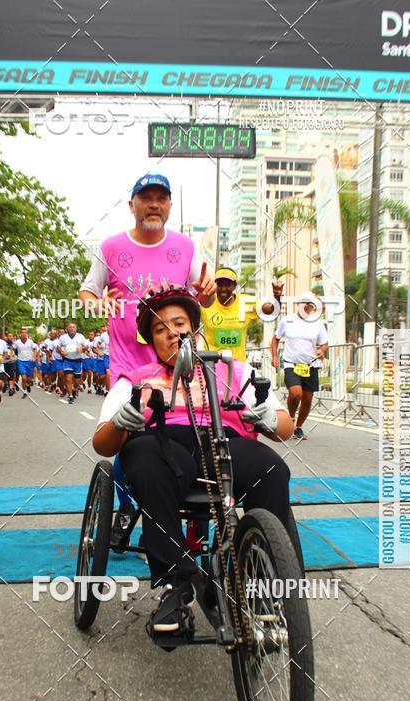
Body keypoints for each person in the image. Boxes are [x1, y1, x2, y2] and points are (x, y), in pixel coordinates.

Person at [92, 287, 294, 635]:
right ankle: (174, 584)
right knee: (148, 462)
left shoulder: (232, 370)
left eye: (178, 323)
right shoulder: (135, 380)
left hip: (223, 445)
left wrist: (272, 420)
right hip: (162, 445)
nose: (171, 332)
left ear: (195, 330)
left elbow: (284, 426)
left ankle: (264, 582)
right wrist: (121, 423)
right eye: (159, 329)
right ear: (152, 341)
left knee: (273, 468)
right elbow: (102, 445)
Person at [79, 173, 215, 543]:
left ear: (169, 205)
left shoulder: (186, 246)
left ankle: (193, 513)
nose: (154, 204)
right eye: (146, 197)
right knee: (126, 433)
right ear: (132, 205)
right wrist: (98, 303)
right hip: (128, 365)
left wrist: (206, 293)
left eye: (161, 198)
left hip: (176, 363)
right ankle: (127, 505)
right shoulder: (109, 247)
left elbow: (202, 299)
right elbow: (88, 293)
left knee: (190, 428)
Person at [271, 293, 329, 441]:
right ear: (299, 304)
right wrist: (275, 357)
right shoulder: (287, 321)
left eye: (310, 304)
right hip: (291, 363)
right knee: (296, 393)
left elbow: (324, 343)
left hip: (311, 365)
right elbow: (275, 339)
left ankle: (298, 427)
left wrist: (321, 350)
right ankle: (290, 418)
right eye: (304, 303)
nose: (307, 306)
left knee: (308, 399)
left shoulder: (318, 323)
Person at [199, 266, 257, 362]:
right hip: (211, 366)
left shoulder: (246, 302)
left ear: (234, 286)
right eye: (220, 284)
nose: (223, 289)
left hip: (238, 367)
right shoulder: (206, 302)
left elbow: (269, 310)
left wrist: (277, 298)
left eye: (228, 285)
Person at [58, 322, 87, 404]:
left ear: (76, 328)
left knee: (77, 381)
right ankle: (70, 396)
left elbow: (86, 346)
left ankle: (75, 388)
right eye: (70, 327)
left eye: (73, 327)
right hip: (67, 360)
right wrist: (61, 352)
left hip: (77, 360)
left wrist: (82, 348)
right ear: (67, 329)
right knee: (68, 378)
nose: (71, 329)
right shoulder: (63, 337)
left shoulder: (80, 336)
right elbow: (58, 347)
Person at [13, 327, 39, 398]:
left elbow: (35, 349)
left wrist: (34, 357)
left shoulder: (30, 342)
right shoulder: (17, 342)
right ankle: (24, 391)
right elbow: (12, 348)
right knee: (24, 377)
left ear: (27, 334)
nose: (24, 334)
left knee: (29, 378)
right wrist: (11, 357)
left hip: (29, 361)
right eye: (22, 333)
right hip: (21, 361)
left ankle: (28, 384)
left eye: (25, 333)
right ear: (20, 334)